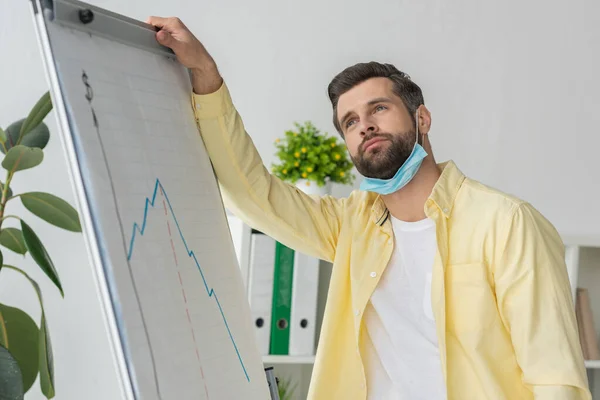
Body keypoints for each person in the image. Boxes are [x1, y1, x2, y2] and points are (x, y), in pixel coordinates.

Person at [146, 16, 591, 400]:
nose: (366, 126)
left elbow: (555, 379)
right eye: (351, 122)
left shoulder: (506, 223)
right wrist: (205, 74)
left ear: (422, 119)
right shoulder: (350, 227)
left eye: (379, 108)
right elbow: (252, 193)